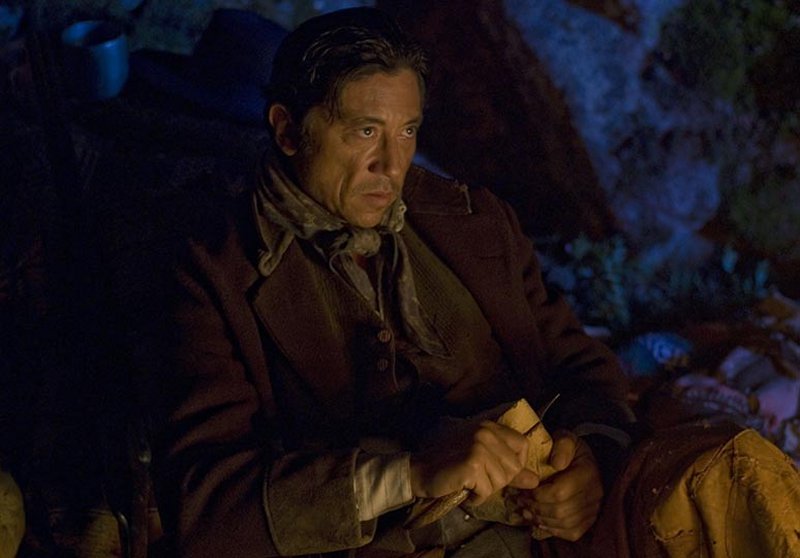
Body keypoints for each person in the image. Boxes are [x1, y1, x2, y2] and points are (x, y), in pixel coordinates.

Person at [146, 7, 800, 558]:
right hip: (398, 544)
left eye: (407, 131)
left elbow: (581, 367)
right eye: (364, 132)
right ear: (289, 130)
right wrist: (409, 474)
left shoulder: (472, 222)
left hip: (551, 533)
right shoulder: (214, 276)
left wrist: (592, 462)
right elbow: (211, 511)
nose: (391, 164)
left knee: (729, 470)